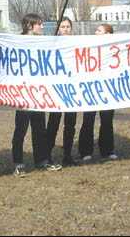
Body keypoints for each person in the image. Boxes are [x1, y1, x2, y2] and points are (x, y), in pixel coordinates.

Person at [12, 13, 62, 177]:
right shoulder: (16, 43)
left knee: (39, 128)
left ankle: (42, 160)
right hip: (22, 94)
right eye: (39, 24)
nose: (42, 27)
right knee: (21, 129)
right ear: (29, 26)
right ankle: (18, 163)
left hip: (39, 94)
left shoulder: (43, 42)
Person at [78, 24, 118, 162]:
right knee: (88, 120)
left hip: (108, 90)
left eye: (99, 30)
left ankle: (107, 150)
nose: (96, 32)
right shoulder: (89, 47)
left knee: (107, 121)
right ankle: (85, 151)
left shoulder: (115, 49)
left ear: (108, 34)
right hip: (91, 90)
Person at [46, 17, 78, 167]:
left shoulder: (78, 44)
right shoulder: (52, 44)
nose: (65, 29)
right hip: (56, 91)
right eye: (62, 27)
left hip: (72, 92)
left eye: (67, 27)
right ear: (58, 29)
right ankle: (48, 154)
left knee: (70, 125)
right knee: (53, 123)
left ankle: (67, 154)